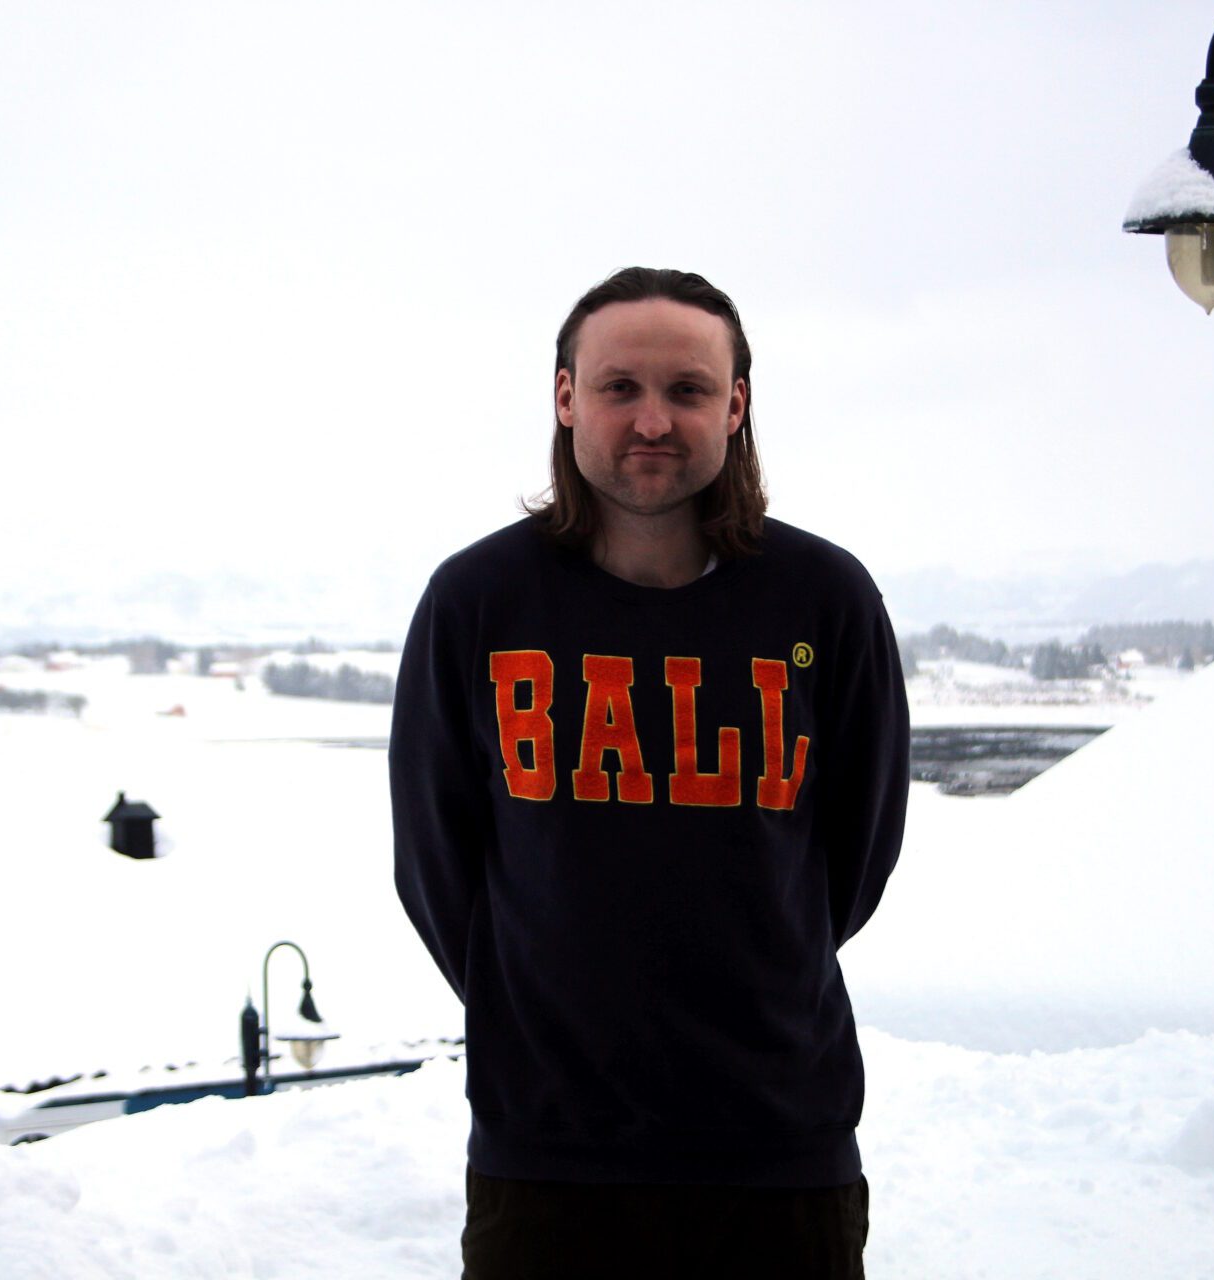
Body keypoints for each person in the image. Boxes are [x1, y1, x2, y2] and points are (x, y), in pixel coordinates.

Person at [389, 267, 909, 1278]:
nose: (654, 420)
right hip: (548, 1159)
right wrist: (538, 1006)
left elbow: (858, 851)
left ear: (736, 405)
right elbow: (435, 861)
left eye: (688, 389)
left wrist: (760, 968)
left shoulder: (825, 598)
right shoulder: (478, 602)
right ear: (566, 397)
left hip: (779, 1154)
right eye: (620, 387)